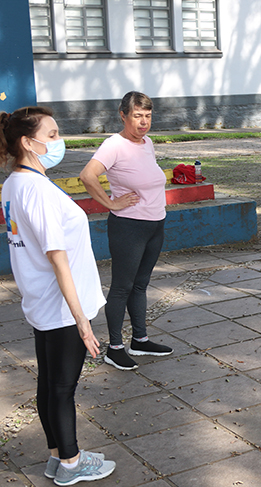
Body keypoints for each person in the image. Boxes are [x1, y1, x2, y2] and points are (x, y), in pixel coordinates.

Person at [1, 106, 116, 485]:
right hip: (62, 305)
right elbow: (57, 256)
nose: (58, 141)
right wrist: (82, 319)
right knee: (63, 389)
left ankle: (57, 456)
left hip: (42, 301)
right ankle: (71, 463)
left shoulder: (15, 183)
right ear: (27, 142)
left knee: (50, 384)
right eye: (51, 135)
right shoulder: (36, 190)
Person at [79, 91, 172, 370]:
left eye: (148, 116)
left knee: (140, 284)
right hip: (129, 226)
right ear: (123, 115)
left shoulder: (147, 143)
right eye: (137, 116)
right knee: (122, 287)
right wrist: (110, 203)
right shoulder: (114, 145)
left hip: (155, 224)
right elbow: (87, 175)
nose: (143, 122)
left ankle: (140, 340)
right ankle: (115, 348)